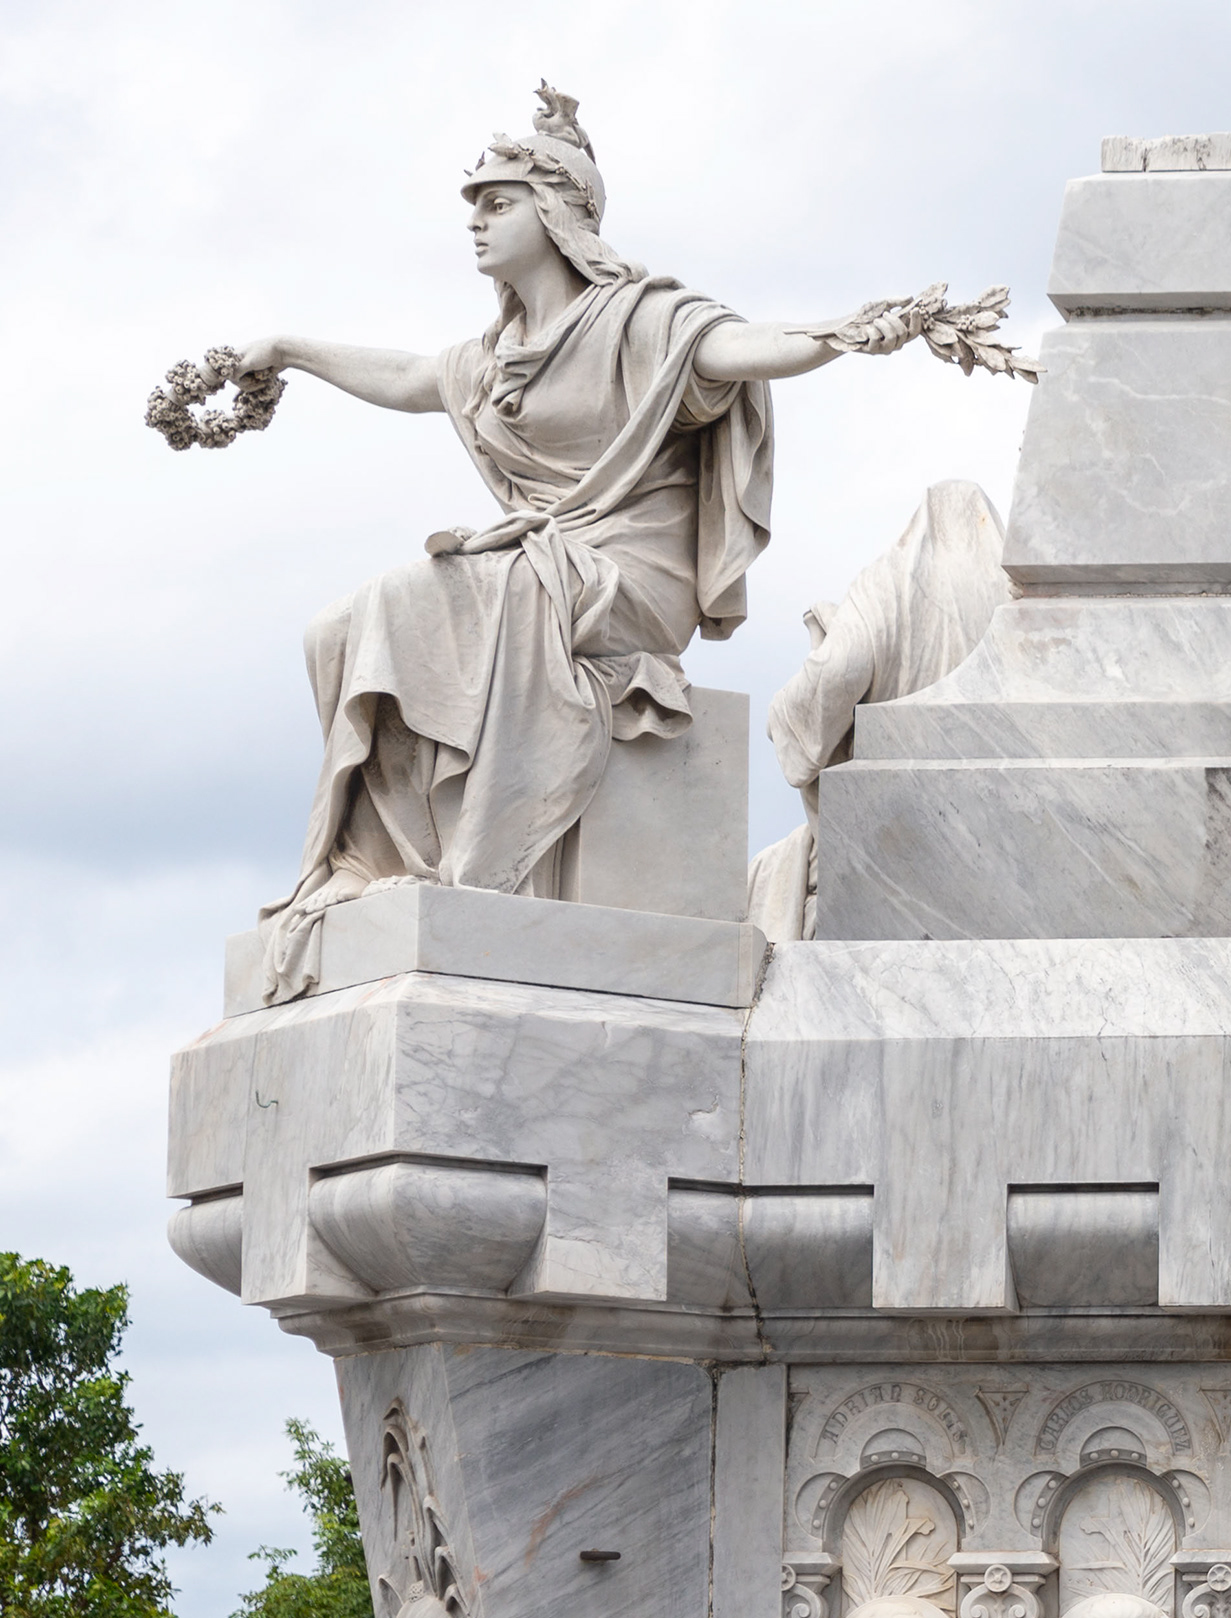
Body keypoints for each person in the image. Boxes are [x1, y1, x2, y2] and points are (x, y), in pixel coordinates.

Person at [229, 85, 952, 994]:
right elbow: (414, 376)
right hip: (543, 559)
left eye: (499, 203)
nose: (478, 225)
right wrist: (291, 349)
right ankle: (382, 859)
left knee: (406, 602)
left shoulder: (642, 319)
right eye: (474, 208)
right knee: (333, 631)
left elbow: (738, 348)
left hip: (629, 572)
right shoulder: (493, 355)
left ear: (562, 214)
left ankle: (456, 857)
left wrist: (840, 334)